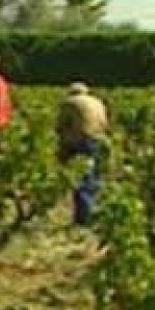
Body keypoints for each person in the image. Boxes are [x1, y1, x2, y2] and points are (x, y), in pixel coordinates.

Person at [56, 82, 110, 226]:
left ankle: (84, 217)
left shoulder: (69, 103)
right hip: (99, 139)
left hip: (80, 141)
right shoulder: (97, 102)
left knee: (81, 178)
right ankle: (95, 212)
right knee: (95, 177)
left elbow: (60, 126)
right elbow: (105, 123)